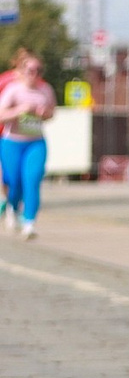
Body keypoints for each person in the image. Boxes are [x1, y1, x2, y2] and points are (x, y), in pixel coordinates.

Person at [0, 50, 57, 239]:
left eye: (39, 71)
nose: (34, 74)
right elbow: (1, 115)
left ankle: (29, 223)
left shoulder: (45, 90)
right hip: (12, 142)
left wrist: (44, 113)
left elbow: (51, 113)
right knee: (14, 181)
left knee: (32, 180)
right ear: (22, 70)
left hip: (35, 142)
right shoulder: (13, 89)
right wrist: (19, 110)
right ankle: (12, 206)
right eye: (30, 70)